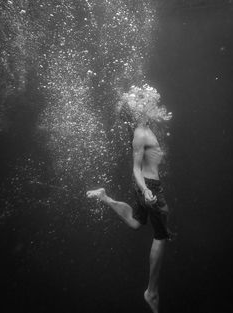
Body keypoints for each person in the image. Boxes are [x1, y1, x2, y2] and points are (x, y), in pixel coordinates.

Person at [86, 85, 174, 313]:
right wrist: (145, 190)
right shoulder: (140, 133)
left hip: (147, 186)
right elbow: (136, 169)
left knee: (136, 222)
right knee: (161, 235)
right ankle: (151, 291)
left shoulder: (146, 129)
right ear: (139, 111)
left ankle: (105, 198)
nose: (150, 105)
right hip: (149, 186)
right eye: (145, 104)